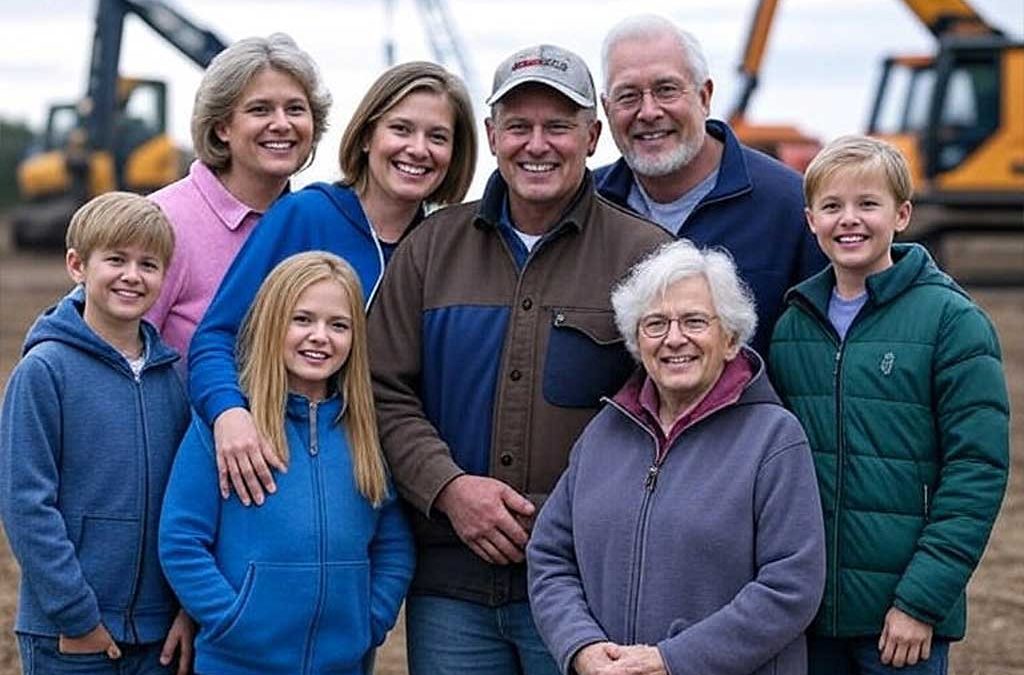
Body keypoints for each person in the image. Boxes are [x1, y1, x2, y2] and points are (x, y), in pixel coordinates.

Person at [367, 44, 672, 675]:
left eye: (558, 126)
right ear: (491, 135)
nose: (537, 145)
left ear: (592, 137)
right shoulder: (430, 248)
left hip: (586, 590)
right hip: (450, 588)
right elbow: (380, 387)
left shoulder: (649, 259)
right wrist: (448, 488)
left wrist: (568, 514)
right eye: (518, 126)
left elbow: (674, 413)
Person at [527, 239, 826, 675]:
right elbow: (550, 555)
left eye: (694, 321)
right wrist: (582, 646)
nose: (674, 339)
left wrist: (672, 661)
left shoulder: (774, 438)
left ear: (730, 339)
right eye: (655, 324)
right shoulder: (603, 433)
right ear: (636, 341)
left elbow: (791, 588)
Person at [769, 136, 1010, 675]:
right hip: (809, 616)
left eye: (867, 204)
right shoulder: (792, 327)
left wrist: (920, 602)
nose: (849, 220)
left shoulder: (952, 322)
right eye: (832, 206)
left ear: (902, 215)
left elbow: (976, 470)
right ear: (811, 221)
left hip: (901, 623)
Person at [188, 60, 477, 506]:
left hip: (383, 488)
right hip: (277, 473)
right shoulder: (305, 215)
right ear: (366, 136)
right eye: (401, 129)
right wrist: (228, 412)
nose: (418, 149)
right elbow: (217, 336)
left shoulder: (445, 247)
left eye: (437, 137)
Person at [159, 251, 414, 675]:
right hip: (238, 663)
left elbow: (394, 543)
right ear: (273, 323)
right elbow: (181, 540)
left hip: (342, 665)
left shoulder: (365, 432)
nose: (320, 337)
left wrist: (369, 621)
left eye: (339, 325)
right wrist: (233, 620)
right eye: (302, 320)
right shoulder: (225, 430)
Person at [0, 193, 193, 674]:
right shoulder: (44, 372)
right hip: (69, 636)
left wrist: (186, 608)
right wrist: (77, 615)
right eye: (116, 259)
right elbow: (26, 504)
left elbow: (188, 504)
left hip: (158, 636)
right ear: (77, 266)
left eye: (148, 264)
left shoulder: (172, 380)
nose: (132, 275)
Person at [595, 14, 826, 356]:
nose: (648, 111)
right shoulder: (586, 208)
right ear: (606, 108)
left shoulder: (791, 207)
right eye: (628, 96)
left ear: (704, 97)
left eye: (666, 90)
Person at [145, 33, 331, 360]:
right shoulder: (162, 222)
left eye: (295, 109)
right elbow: (104, 349)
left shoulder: (320, 225)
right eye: (260, 110)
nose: (282, 124)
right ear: (222, 127)